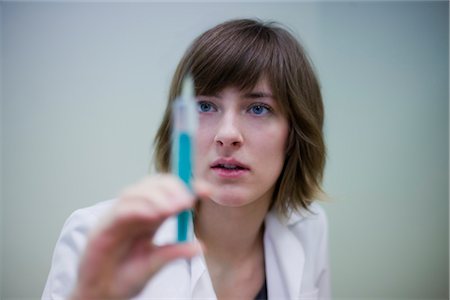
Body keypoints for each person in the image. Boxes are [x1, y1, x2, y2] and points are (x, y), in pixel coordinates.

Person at [42, 18, 330, 300]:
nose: (228, 134)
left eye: (258, 109)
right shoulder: (94, 237)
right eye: (205, 105)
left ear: (293, 133)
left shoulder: (310, 226)